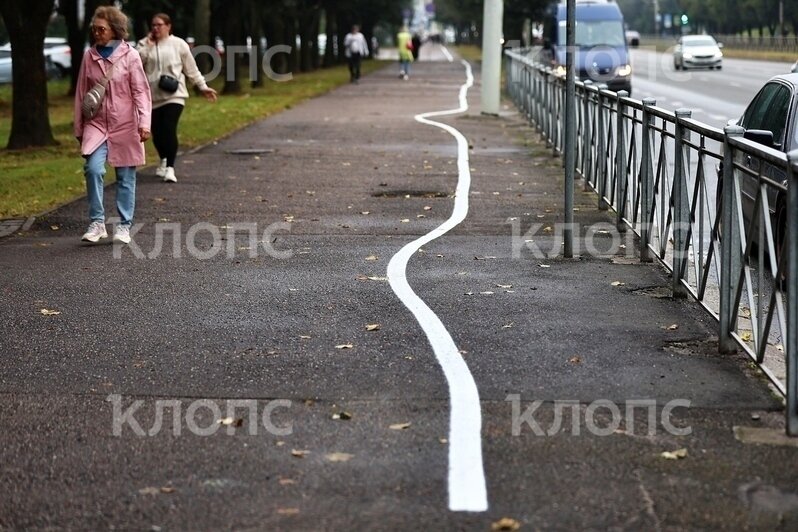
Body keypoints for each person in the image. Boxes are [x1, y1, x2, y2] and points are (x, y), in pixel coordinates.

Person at [74, 5, 151, 244]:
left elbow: (140, 91)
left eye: (101, 29)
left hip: (125, 123)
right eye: (94, 29)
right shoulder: (89, 55)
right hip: (96, 124)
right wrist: (79, 127)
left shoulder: (131, 55)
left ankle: (124, 226)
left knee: (126, 177)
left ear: (115, 30)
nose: (97, 33)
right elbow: (81, 93)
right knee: (94, 169)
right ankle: (97, 223)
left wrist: (144, 123)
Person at [136, 13, 217, 183]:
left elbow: (191, 69)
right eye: (153, 25)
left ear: (168, 26)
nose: (155, 28)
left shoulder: (178, 44)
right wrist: (149, 47)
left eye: (159, 25)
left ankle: (170, 168)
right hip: (152, 97)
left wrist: (202, 87)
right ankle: (163, 160)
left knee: (168, 128)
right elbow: (135, 64)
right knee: (157, 133)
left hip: (175, 95)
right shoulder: (143, 44)